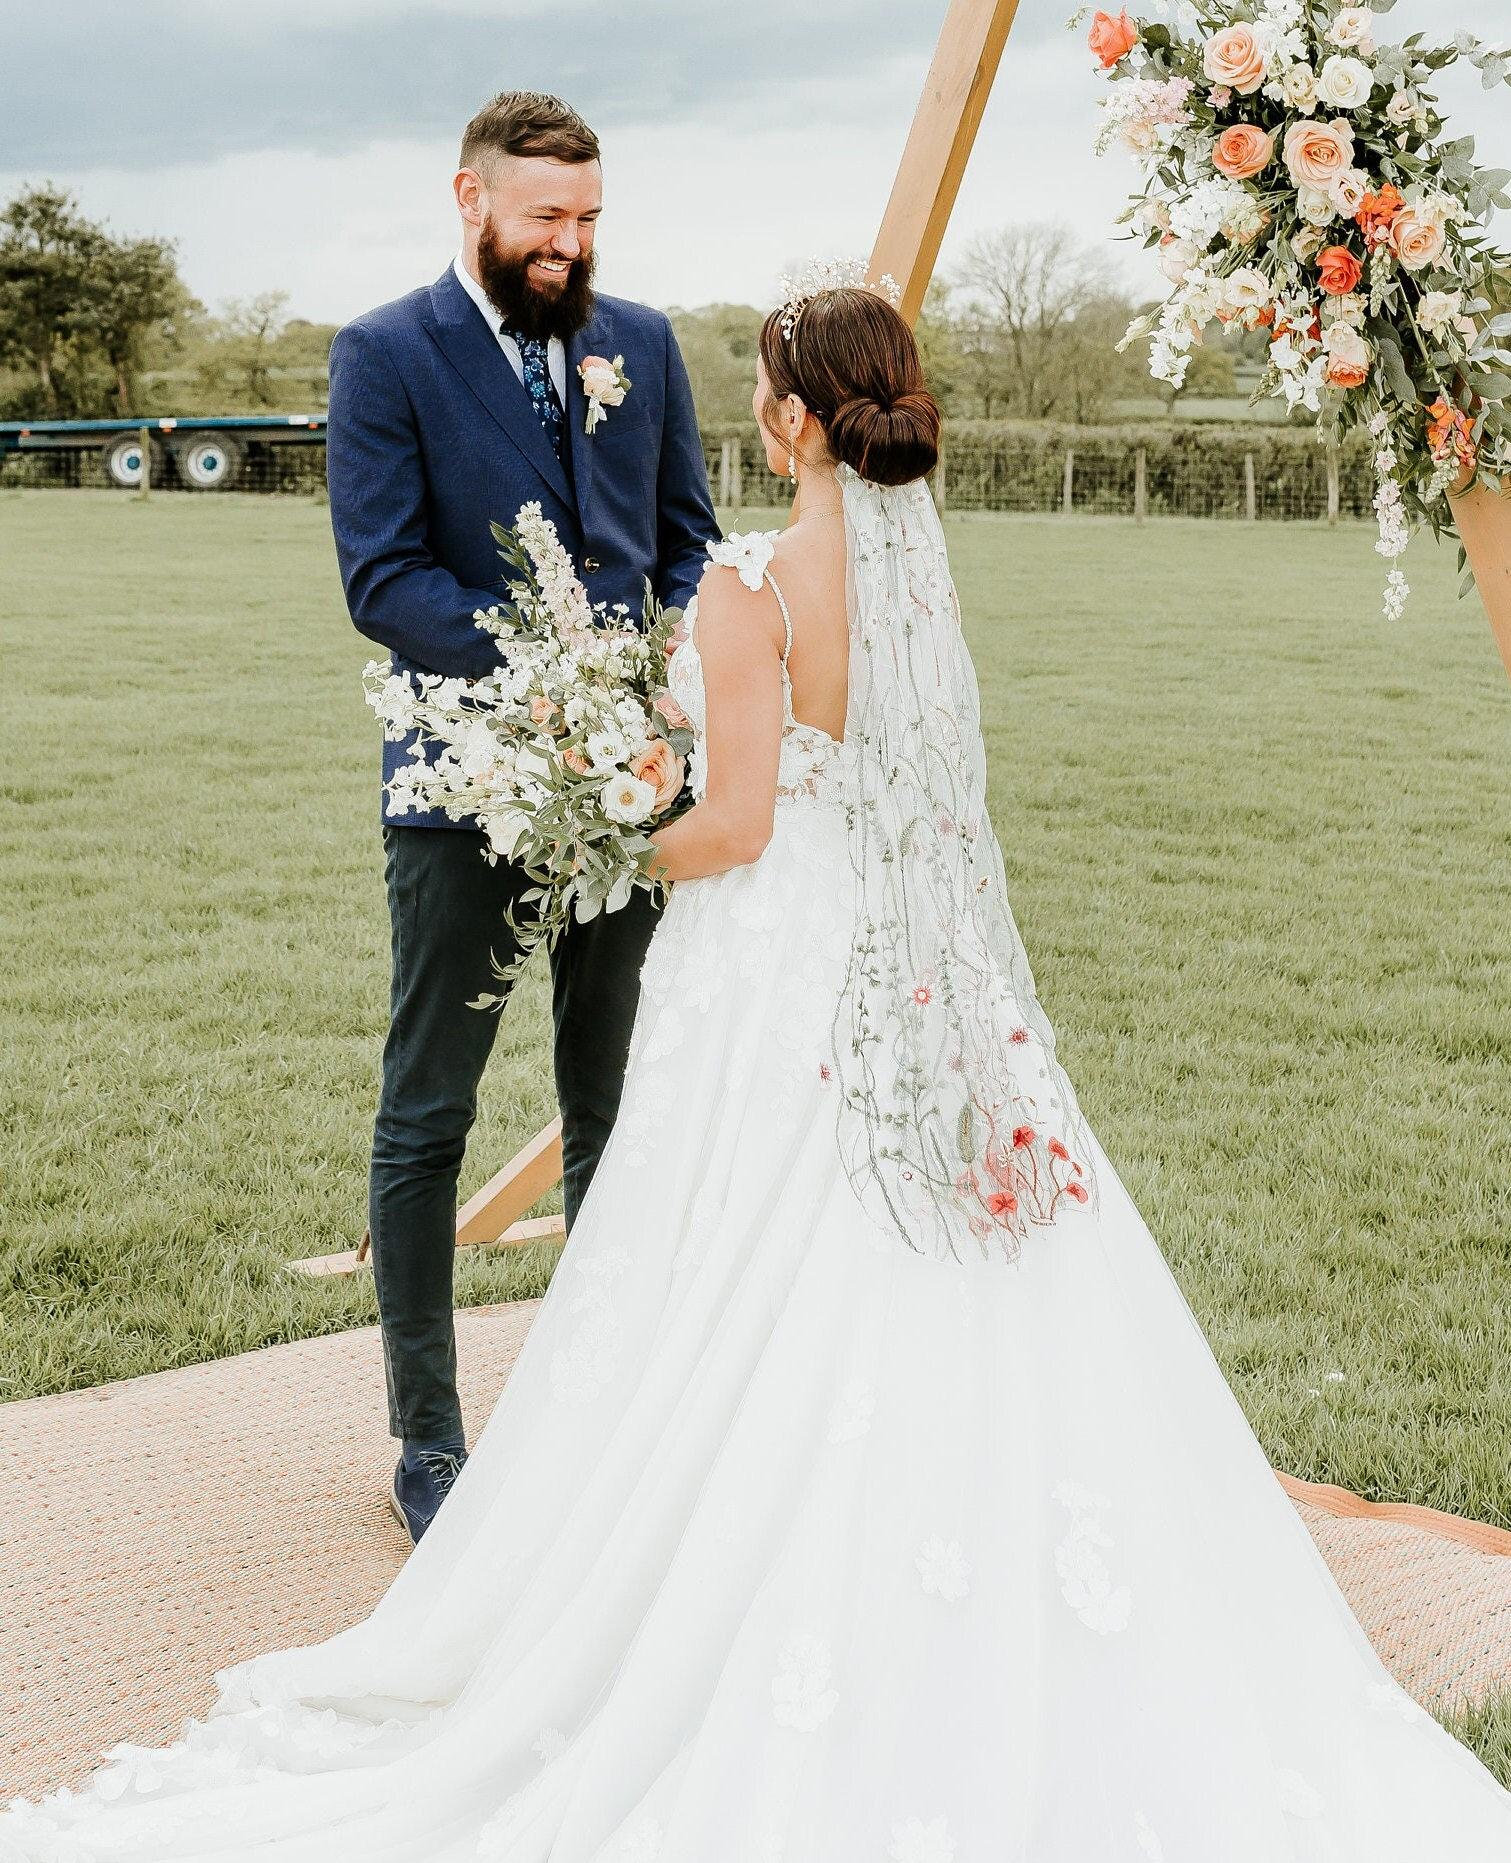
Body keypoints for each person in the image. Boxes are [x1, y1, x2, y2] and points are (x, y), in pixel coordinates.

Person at [6, 281, 1509, 1862]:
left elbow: (736, 828)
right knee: (935, 1257)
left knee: (736, 1242)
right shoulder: (922, 579)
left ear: (789, 418)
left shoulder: (749, 586)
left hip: (779, 964)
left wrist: (596, 834)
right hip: (922, 968)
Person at [323, 90, 717, 1542]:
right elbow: (385, 580)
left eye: (592, 217)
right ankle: (427, 1439)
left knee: (615, 1094)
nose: (572, 244)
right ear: (471, 199)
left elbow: (683, 538)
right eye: (547, 217)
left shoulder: (649, 345)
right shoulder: (383, 354)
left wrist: (664, 669)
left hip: (632, 790)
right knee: (430, 1106)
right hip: (461, 785)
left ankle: (602, 1406)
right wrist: (553, 673)